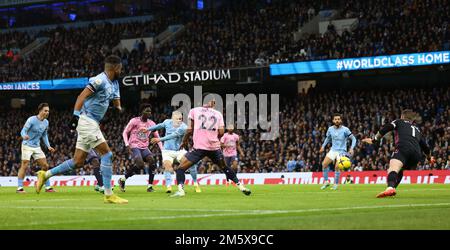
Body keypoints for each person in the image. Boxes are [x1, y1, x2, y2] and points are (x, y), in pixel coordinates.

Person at [35, 55, 128, 204]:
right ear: (114, 68)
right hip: (86, 121)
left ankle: (45, 175)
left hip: (93, 123)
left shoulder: (115, 83)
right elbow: (81, 96)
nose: (121, 70)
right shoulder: (99, 80)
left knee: (78, 162)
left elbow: (116, 102)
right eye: (120, 68)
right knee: (107, 154)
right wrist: (75, 117)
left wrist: (118, 108)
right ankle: (109, 194)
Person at [171, 98, 251, 197]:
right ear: (212, 103)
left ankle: (181, 190)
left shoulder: (194, 111)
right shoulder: (218, 114)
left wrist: (184, 141)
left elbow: (189, 130)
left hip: (199, 147)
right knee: (225, 168)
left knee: (180, 169)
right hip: (214, 147)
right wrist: (212, 137)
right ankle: (241, 186)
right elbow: (221, 132)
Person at [362, 109, 431, 198]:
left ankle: (390, 188)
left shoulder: (399, 122)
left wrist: (374, 140)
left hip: (403, 148)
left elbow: (386, 128)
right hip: (416, 155)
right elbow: (425, 146)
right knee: (400, 170)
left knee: (393, 168)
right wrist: (429, 158)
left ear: (402, 116)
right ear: (412, 119)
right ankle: (392, 188)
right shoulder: (417, 130)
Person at [144, 111, 201, 193]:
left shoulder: (183, 127)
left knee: (190, 164)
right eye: (178, 119)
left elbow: (173, 135)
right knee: (167, 167)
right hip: (167, 151)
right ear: (172, 118)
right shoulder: (167, 122)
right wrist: (147, 129)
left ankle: (195, 183)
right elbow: (159, 125)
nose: (180, 120)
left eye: (181, 119)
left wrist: (159, 139)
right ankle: (168, 187)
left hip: (179, 151)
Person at [119, 105, 162, 192]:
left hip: (144, 147)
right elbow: (125, 132)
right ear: (142, 111)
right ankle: (123, 179)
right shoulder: (134, 121)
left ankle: (149, 186)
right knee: (140, 165)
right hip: (134, 146)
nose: (149, 113)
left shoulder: (152, 124)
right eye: (147, 111)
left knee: (152, 161)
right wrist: (127, 145)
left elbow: (157, 137)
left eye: (150, 111)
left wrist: (162, 150)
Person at [17, 103, 55, 193]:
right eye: (45, 111)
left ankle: (48, 187)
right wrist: (24, 136)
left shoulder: (46, 122)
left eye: (48, 111)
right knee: (25, 165)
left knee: (45, 166)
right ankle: (19, 188)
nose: (47, 112)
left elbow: (44, 135)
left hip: (37, 146)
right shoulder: (31, 120)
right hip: (27, 145)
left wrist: (48, 146)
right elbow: (23, 131)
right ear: (40, 111)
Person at [320, 113, 357, 190]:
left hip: (342, 151)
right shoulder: (330, 129)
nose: (337, 120)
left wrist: (351, 148)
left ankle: (336, 184)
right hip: (333, 150)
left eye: (338, 119)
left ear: (341, 120)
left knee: (337, 167)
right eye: (335, 119)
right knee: (324, 164)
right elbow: (328, 138)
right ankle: (326, 181)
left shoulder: (345, 129)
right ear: (333, 120)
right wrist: (323, 146)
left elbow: (354, 139)